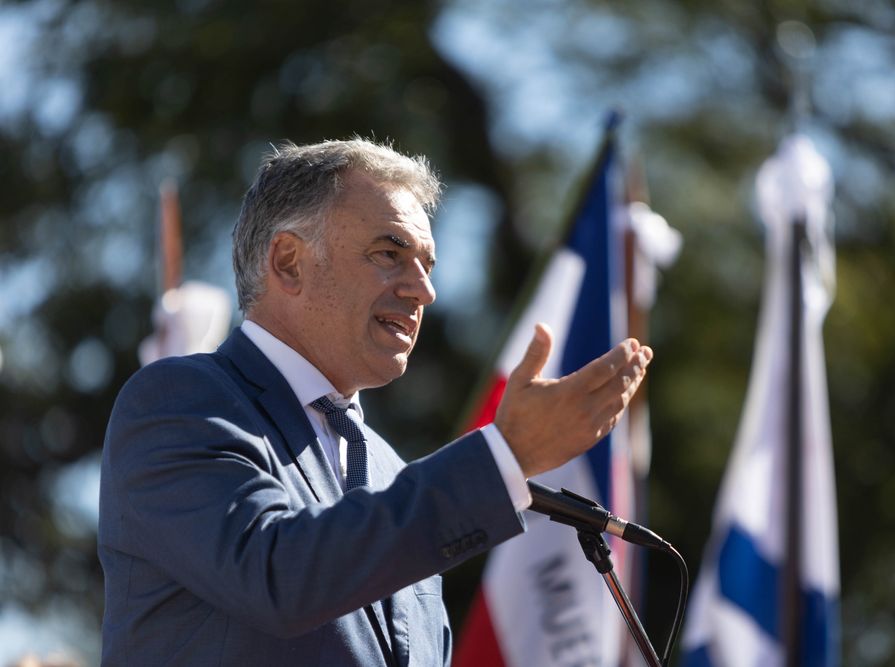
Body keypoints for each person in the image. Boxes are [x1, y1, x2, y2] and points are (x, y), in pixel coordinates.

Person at [98, 138, 652, 665]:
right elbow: (278, 575)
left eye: (427, 264)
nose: (423, 290)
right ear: (289, 262)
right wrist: (504, 456)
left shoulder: (391, 472)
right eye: (390, 252)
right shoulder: (179, 403)